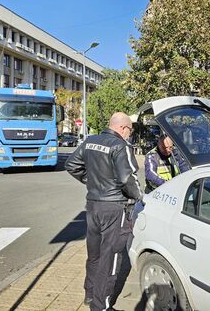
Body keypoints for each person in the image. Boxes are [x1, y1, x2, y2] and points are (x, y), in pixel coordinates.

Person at [65, 112, 142, 311]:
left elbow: (71, 165)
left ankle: (90, 295)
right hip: (115, 208)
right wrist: (140, 197)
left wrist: (89, 181)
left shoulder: (90, 141)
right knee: (112, 257)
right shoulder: (120, 146)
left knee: (95, 254)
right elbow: (128, 179)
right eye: (130, 130)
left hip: (92, 205)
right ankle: (102, 306)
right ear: (123, 128)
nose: (129, 134)